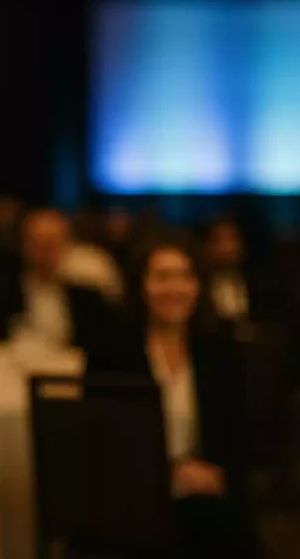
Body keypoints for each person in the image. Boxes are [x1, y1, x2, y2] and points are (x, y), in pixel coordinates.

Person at [85, 233, 260, 559]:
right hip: (134, 498)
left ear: (198, 286)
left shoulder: (219, 349)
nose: (174, 289)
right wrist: (166, 474)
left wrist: (216, 474)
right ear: (141, 285)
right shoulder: (112, 349)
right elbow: (101, 442)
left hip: (208, 495)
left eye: (185, 277)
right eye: (162, 277)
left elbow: (244, 437)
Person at [0, 209, 113, 347]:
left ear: (66, 245)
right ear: (23, 245)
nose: (44, 253)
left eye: (51, 244)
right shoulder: (3, 291)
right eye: (38, 243)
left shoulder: (86, 293)